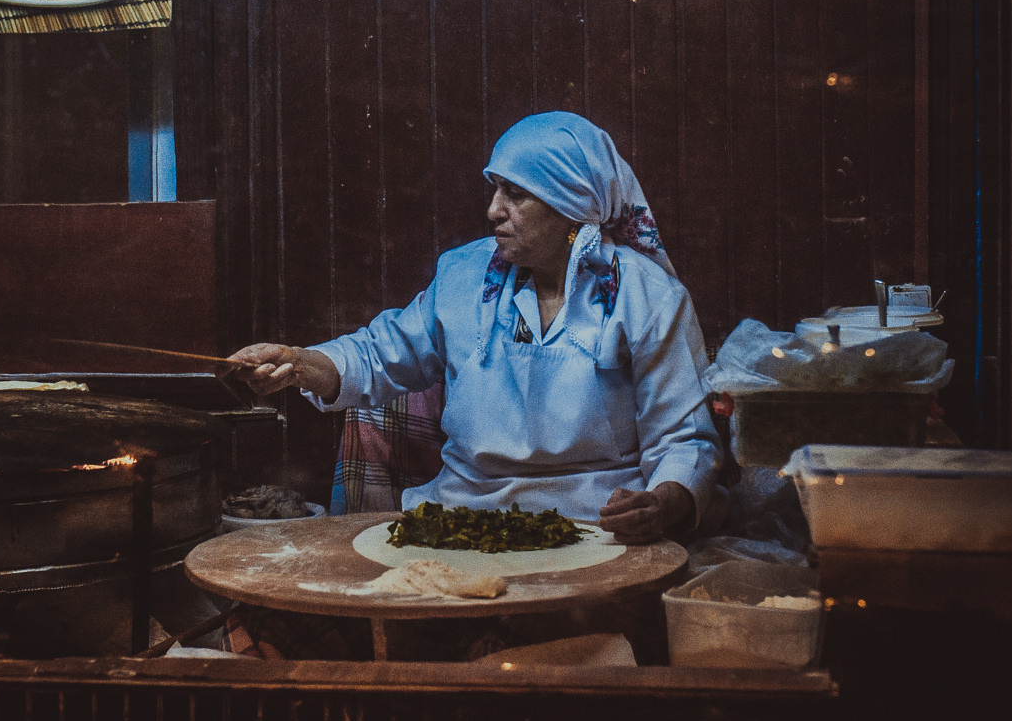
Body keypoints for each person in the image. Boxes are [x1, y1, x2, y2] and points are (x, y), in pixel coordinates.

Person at [227, 111, 723, 544]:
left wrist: (662, 503)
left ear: (571, 206)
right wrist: (297, 362)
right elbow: (379, 356)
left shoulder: (647, 297)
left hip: (595, 527)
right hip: (462, 518)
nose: (493, 210)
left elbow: (684, 438)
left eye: (516, 194)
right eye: (495, 189)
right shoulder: (464, 276)